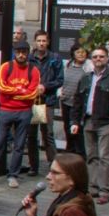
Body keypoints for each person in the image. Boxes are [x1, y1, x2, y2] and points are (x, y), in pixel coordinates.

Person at [68, 48, 109, 204]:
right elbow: (77, 101)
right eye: (95, 57)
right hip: (89, 121)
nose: (98, 59)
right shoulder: (86, 78)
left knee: (106, 157)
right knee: (91, 157)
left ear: (107, 58)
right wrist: (74, 121)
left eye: (101, 56)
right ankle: (92, 188)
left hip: (106, 122)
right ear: (92, 59)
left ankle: (105, 190)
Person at [0, 41, 41, 189]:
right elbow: (2, 88)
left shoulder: (33, 70)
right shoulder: (6, 67)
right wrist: (22, 90)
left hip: (24, 112)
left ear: (28, 53)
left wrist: (14, 92)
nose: (21, 55)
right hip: (6, 110)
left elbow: (33, 93)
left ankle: (13, 175)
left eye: (24, 52)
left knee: (19, 145)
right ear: (15, 52)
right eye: (19, 52)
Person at [26, 30, 63, 176]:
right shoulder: (29, 58)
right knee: (32, 135)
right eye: (39, 41)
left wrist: (45, 86)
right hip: (33, 102)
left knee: (48, 133)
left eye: (44, 41)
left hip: (47, 101)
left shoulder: (55, 58)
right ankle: (33, 166)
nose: (41, 43)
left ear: (48, 42)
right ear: (35, 42)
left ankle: (53, 166)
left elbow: (60, 80)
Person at [58, 45, 89, 158]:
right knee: (67, 127)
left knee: (77, 128)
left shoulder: (89, 67)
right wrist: (60, 92)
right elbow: (61, 80)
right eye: (78, 52)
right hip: (66, 101)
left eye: (83, 52)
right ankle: (70, 150)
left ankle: (80, 153)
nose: (81, 54)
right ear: (73, 54)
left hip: (79, 104)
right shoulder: (67, 65)